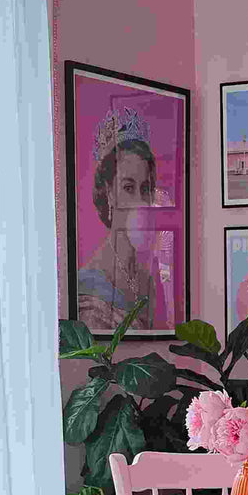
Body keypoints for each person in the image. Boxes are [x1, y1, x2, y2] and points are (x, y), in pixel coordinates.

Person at [77, 108, 158, 332]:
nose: (140, 201)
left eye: (146, 189)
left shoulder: (147, 279)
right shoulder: (90, 286)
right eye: (128, 188)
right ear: (109, 192)